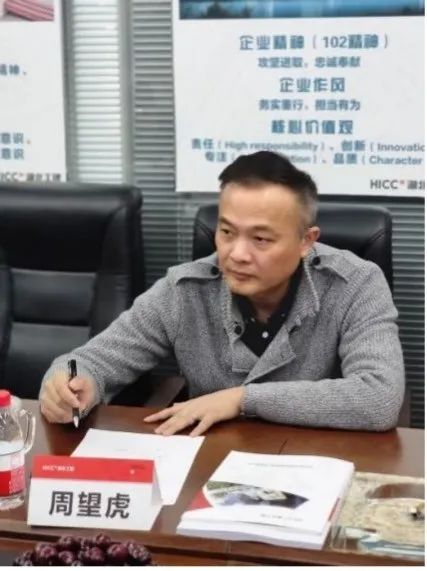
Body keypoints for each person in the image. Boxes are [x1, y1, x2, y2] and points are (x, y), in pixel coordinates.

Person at [39, 151, 405, 434]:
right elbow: (93, 361)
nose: (237, 254)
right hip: (211, 467)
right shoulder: (186, 290)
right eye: (227, 232)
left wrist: (241, 399)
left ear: (305, 242)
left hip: (319, 463)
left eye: (261, 239)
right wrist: (70, 384)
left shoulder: (355, 284)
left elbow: (379, 397)